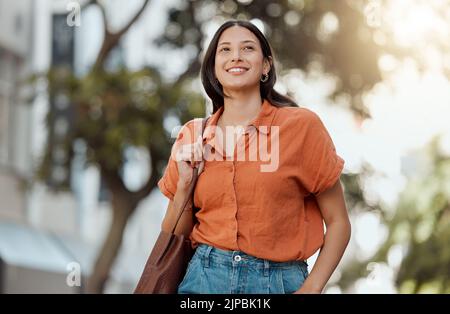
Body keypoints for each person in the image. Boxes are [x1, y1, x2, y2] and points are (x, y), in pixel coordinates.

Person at [158, 19, 351, 294]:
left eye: (247, 48)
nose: (235, 55)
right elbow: (172, 236)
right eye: (224, 50)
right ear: (214, 67)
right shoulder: (192, 136)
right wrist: (184, 187)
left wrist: (312, 288)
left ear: (265, 66)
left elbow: (338, 222)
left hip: (279, 283)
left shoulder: (301, 127)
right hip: (204, 281)